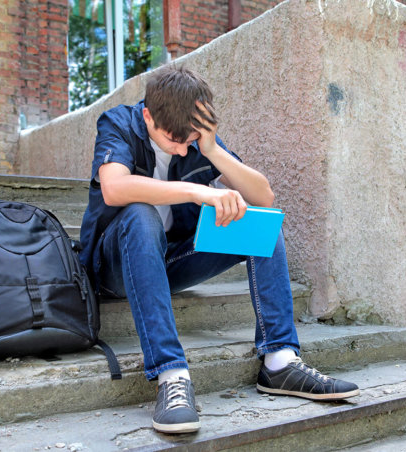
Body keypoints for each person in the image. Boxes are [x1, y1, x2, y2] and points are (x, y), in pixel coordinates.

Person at [79, 65, 359, 434]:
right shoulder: (118, 123)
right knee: (140, 214)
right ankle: (171, 375)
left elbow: (264, 195)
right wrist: (199, 191)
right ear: (148, 115)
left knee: (259, 226)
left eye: (190, 139)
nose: (182, 148)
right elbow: (115, 188)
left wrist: (211, 148)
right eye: (173, 140)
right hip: (113, 267)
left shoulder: (197, 140)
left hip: (169, 263)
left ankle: (279, 361)